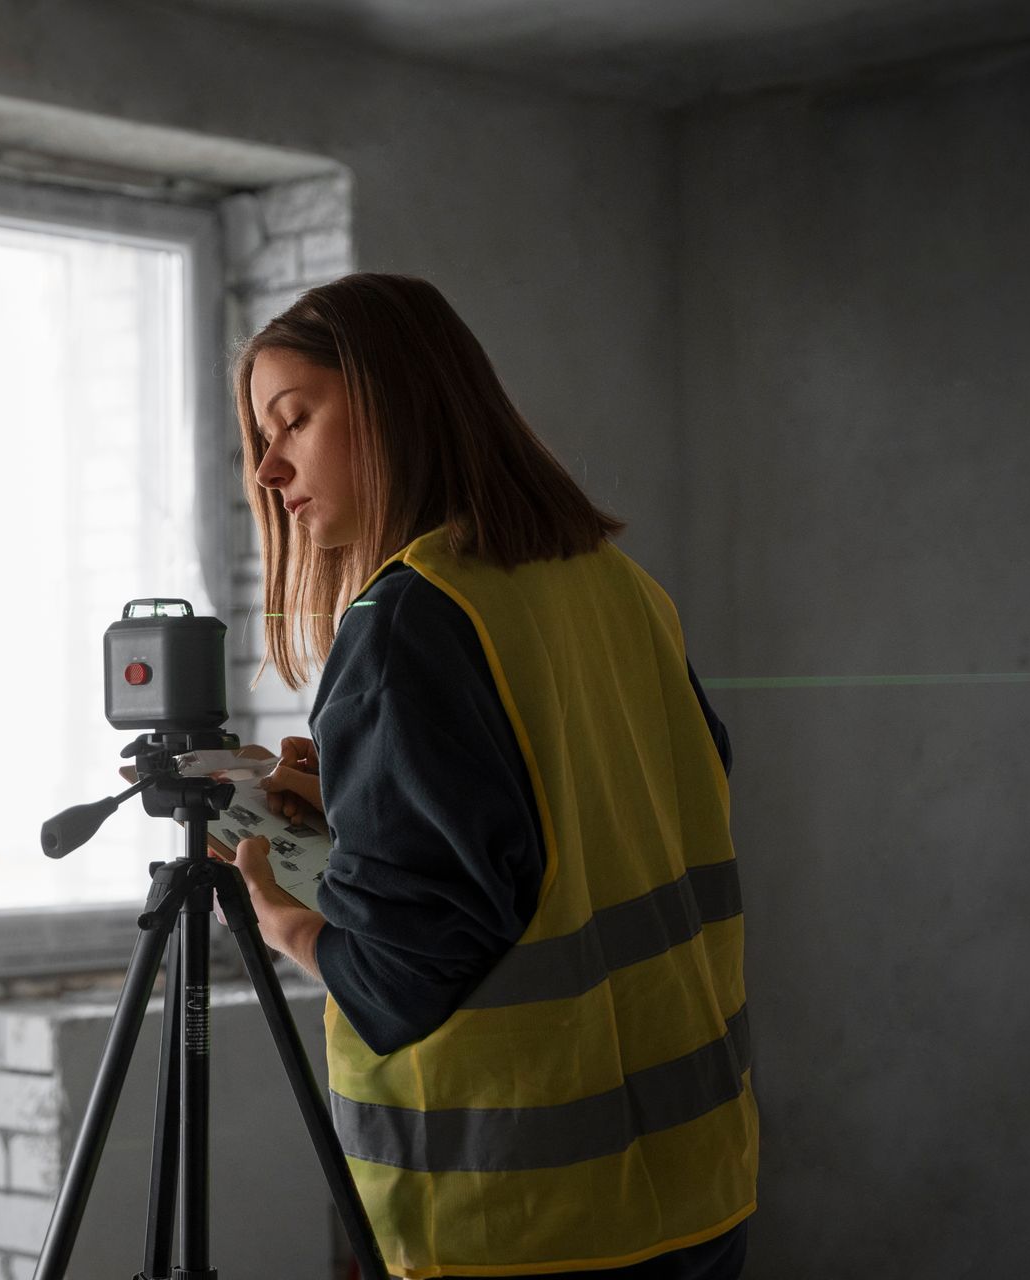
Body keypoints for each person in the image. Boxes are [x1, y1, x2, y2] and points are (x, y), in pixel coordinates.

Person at [216, 273, 757, 1280]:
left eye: (292, 420)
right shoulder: (618, 586)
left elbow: (404, 972)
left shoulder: (408, 621)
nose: (270, 468)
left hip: (516, 1220)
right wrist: (370, 796)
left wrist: (284, 917)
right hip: (694, 1182)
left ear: (392, 399)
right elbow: (585, 822)